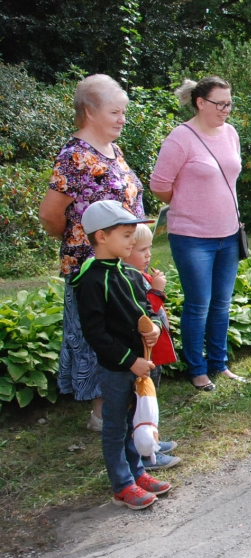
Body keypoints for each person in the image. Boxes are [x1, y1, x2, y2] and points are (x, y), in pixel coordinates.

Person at [38, 73, 147, 432]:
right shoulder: (74, 156)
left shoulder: (113, 150)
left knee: (126, 331)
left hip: (121, 263)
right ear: (89, 111)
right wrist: (80, 241)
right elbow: (51, 216)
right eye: (115, 112)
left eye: (123, 112)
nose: (122, 119)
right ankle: (104, 416)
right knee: (98, 336)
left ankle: (128, 407)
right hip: (91, 267)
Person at [71, 200, 171, 510]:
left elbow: (145, 309)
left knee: (133, 419)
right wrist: (130, 361)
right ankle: (122, 484)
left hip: (141, 363)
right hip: (118, 368)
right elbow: (96, 333)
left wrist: (154, 327)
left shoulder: (128, 273)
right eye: (127, 236)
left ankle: (137, 472)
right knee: (115, 427)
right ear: (101, 237)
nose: (133, 241)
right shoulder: (91, 280)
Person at [151, 76, 245, 391]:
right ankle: (197, 369)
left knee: (221, 303)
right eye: (220, 103)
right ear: (200, 102)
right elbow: (159, 185)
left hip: (229, 234)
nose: (226, 109)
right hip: (192, 237)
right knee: (199, 303)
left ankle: (219, 365)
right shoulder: (181, 138)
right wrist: (190, 204)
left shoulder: (230, 134)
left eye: (229, 103)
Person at [121, 223, 180, 469]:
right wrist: (157, 291)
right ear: (125, 250)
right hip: (142, 356)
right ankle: (145, 455)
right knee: (141, 408)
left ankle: (151, 441)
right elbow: (145, 314)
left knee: (150, 405)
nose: (148, 255)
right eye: (142, 250)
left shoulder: (139, 276)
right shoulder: (129, 280)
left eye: (149, 249)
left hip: (152, 355)